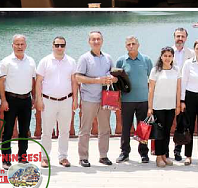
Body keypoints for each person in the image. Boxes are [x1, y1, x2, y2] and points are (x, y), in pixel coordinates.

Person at [75, 31, 117, 167]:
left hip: (105, 99)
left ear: (102, 41)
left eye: (98, 39)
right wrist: (97, 80)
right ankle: (83, 157)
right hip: (89, 98)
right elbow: (78, 77)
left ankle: (103, 156)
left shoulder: (108, 58)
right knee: (85, 129)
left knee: (105, 128)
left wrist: (113, 78)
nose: (96, 41)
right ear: (89, 42)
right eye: (93, 39)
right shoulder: (84, 58)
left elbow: (115, 76)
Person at [35, 36, 78, 168]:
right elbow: (38, 81)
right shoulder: (45, 61)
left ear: (65, 46)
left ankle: (63, 157)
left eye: (62, 45)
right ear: (52, 46)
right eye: (57, 45)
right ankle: (45, 157)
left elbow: (74, 82)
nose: (59, 48)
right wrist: (39, 99)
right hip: (48, 100)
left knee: (64, 131)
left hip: (66, 100)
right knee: (46, 131)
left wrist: (75, 99)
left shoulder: (71, 61)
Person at [0, 34, 37, 167]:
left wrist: (34, 98)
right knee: (7, 131)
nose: (20, 47)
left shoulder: (31, 61)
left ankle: (22, 157)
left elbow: (33, 80)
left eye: (22, 44)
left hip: (26, 99)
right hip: (10, 99)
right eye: (17, 44)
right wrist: (3, 100)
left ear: (25, 45)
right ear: (12, 45)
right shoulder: (6, 62)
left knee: (24, 130)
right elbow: (1, 82)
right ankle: (6, 159)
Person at [115, 36, 153, 164]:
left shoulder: (146, 60)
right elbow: (117, 80)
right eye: (128, 44)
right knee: (125, 127)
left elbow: (152, 80)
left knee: (143, 128)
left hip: (143, 100)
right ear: (126, 46)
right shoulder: (121, 61)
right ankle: (124, 152)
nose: (131, 46)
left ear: (138, 45)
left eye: (133, 44)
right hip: (127, 100)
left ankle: (143, 153)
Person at [147, 47, 181, 168]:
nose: (167, 58)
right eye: (165, 55)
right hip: (158, 106)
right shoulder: (156, 70)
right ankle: (158, 156)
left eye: (169, 56)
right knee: (159, 132)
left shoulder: (176, 70)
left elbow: (178, 89)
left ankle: (165, 156)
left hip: (171, 106)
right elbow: (151, 90)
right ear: (161, 57)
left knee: (167, 132)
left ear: (173, 57)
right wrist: (150, 107)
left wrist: (177, 105)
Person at [172, 27, 193, 161]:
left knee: (182, 123)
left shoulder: (191, 54)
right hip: (169, 91)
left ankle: (178, 150)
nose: (180, 39)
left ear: (186, 38)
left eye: (182, 36)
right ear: (174, 37)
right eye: (178, 36)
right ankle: (162, 151)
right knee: (166, 122)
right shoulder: (167, 52)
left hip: (185, 92)